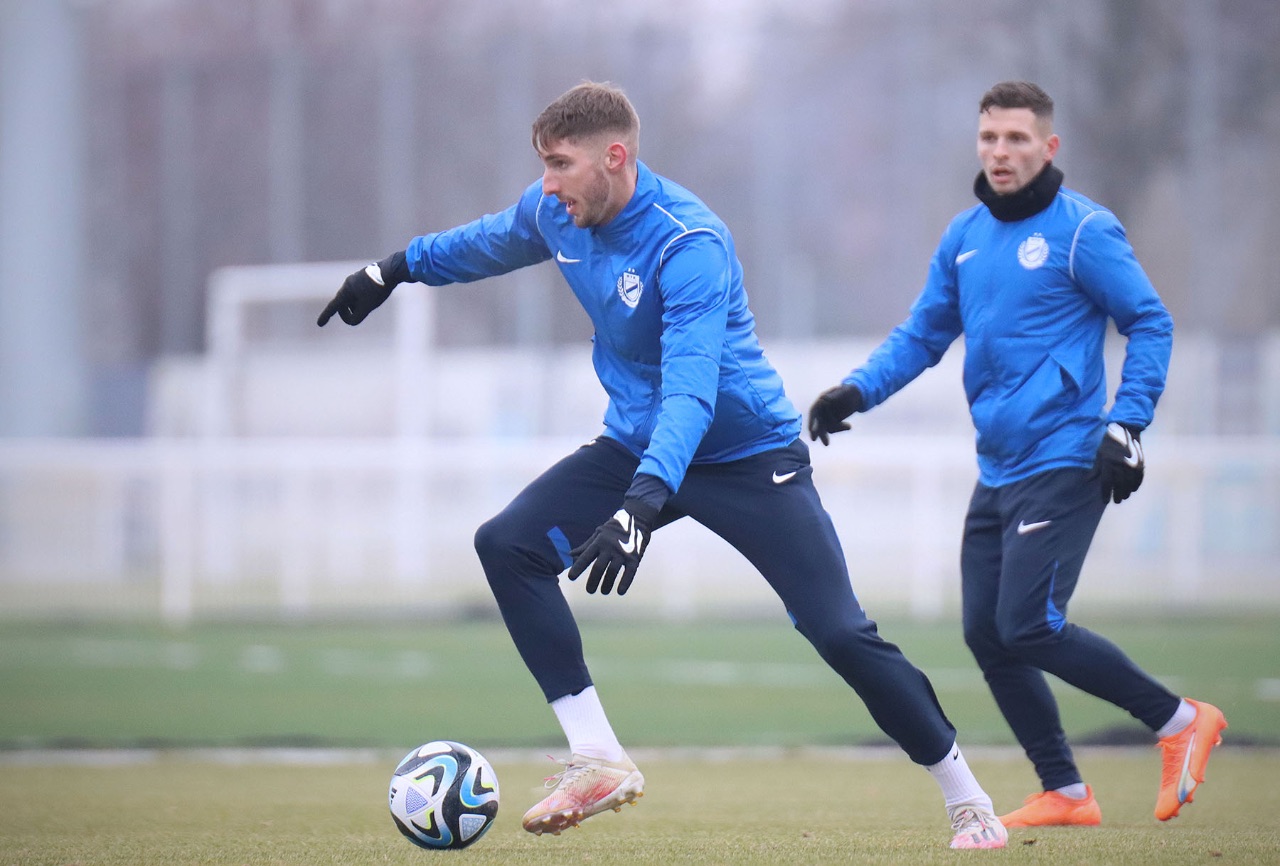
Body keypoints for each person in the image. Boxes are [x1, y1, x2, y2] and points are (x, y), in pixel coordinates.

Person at [318, 81, 1006, 850]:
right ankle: (598, 758)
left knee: (840, 632)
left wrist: (641, 504)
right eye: (543, 165)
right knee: (506, 544)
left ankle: (967, 797)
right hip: (636, 443)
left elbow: (691, 391)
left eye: (560, 163)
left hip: (747, 456)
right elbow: (483, 243)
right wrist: (392, 270)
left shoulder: (689, 242)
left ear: (614, 157)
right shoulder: (555, 212)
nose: (547, 182)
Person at [808, 80, 1227, 828]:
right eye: (989, 138)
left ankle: (1179, 721)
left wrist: (1127, 425)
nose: (1000, 152)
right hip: (999, 466)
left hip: (1067, 455)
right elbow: (923, 334)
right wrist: (858, 390)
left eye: (1016, 139)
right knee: (987, 632)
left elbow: (1149, 321)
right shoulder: (964, 236)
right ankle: (1065, 790)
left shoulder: (1083, 231)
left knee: (1029, 623)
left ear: (1048, 146)